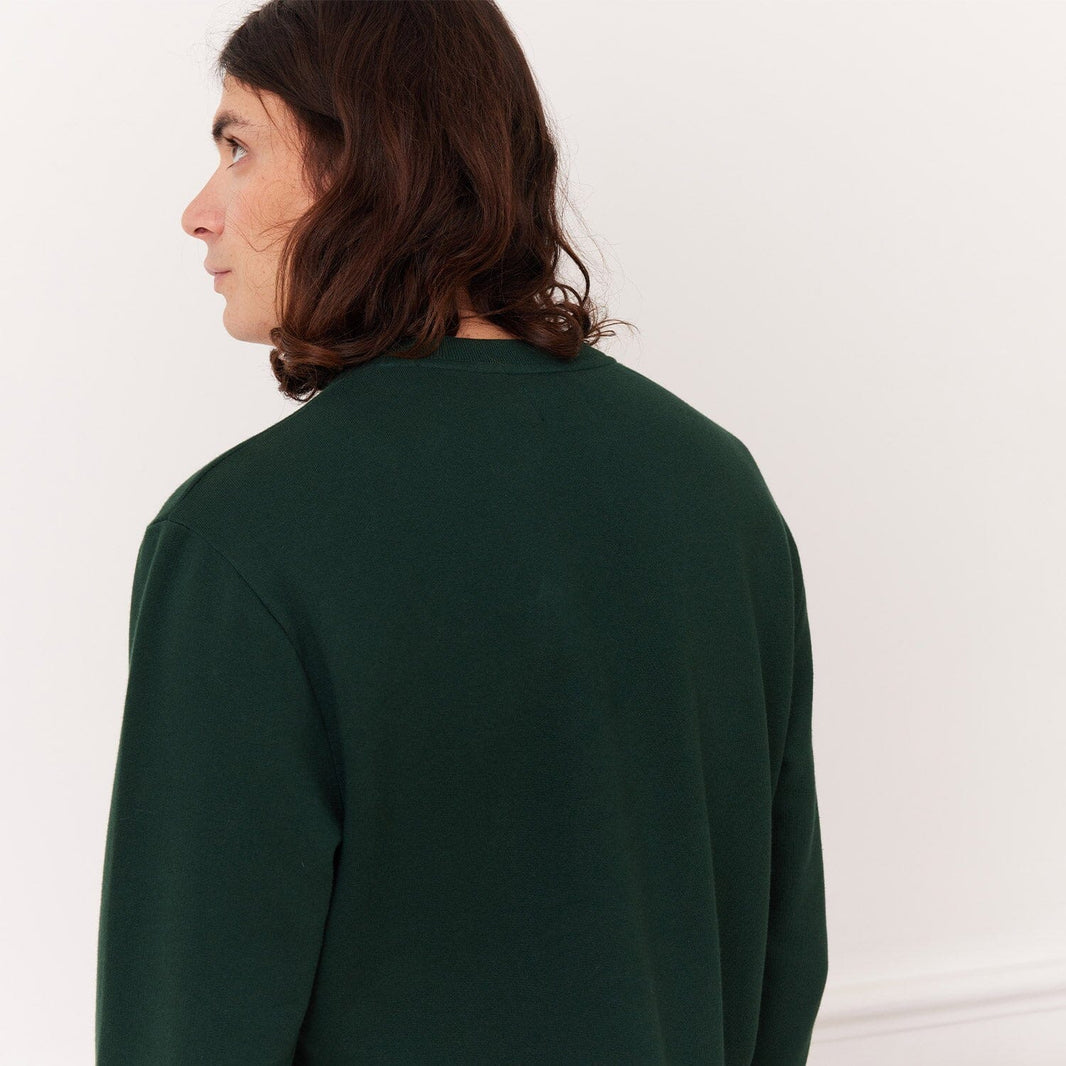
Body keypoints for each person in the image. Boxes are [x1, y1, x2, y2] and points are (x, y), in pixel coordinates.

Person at [95, 2, 828, 1064]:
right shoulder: (716, 488)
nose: (198, 212)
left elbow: (189, 1022)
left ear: (366, 163)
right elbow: (779, 958)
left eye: (238, 147)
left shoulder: (242, 540)